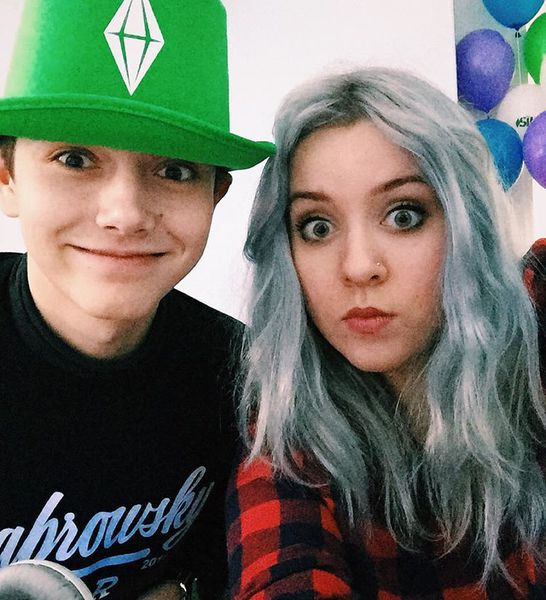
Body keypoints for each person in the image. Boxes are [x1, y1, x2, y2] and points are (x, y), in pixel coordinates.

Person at [226, 67, 546, 599]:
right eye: (317, 227)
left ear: (468, 224)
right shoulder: (290, 439)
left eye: (404, 215)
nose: (358, 267)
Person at [0, 0, 274, 599]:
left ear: (215, 196)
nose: (124, 214)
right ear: (7, 177)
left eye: (174, 170)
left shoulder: (247, 376)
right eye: (75, 158)